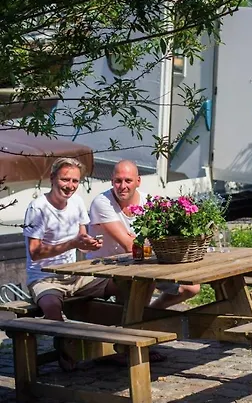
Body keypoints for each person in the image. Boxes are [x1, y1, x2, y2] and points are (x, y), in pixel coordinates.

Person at [23, 157, 121, 370]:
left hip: (75, 275)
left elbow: (82, 241)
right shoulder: (38, 208)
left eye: (75, 181)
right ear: (52, 178)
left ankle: (121, 343)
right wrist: (72, 244)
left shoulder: (77, 202)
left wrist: (90, 244)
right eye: (65, 179)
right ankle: (67, 352)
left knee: (123, 285)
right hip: (44, 278)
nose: (70, 186)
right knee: (52, 309)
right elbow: (35, 252)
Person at [87, 159, 200, 309]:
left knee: (191, 287)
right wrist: (144, 242)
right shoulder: (102, 202)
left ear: (138, 181)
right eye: (118, 181)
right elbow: (130, 246)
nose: (123, 186)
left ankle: (150, 313)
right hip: (105, 269)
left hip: (141, 263)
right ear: (111, 181)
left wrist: (142, 242)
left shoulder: (149, 203)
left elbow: (164, 240)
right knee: (145, 281)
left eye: (128, 181)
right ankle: (139, 317)